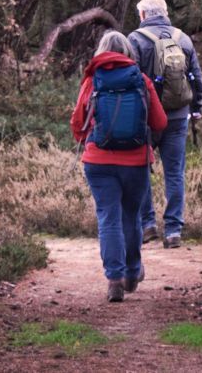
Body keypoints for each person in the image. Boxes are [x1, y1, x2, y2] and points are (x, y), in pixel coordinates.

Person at [71, 31, 167, 302]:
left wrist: (86, 140)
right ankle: (133, 272)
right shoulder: (141, 80)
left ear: (101, 51)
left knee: (108, 217)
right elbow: (159, 122)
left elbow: (78, 122)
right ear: (128, 52)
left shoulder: (93, 79)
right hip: (136, 161)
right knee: (131, 216)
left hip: (98, 162)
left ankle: (114, 279)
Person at [128, 0, 202, 249]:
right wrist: (197, 108)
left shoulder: (135, 40)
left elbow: (132, 81)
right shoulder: (182, 38)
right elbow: (195, 76)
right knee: (174, 173)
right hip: (177, 116)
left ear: (142, 15)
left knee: (141, 171)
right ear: (165, 12)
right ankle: (173, 231)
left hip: (146, 118)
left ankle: (148, 225)